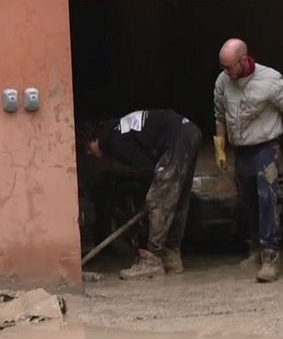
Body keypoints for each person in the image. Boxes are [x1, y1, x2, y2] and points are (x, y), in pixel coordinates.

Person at [212, 38, 283, 283]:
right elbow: (219, 114)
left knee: (265, 197)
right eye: (223, 68)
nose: (226, 73)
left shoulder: (269, 81)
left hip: (265, 148)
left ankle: (271, 256)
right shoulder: (222, 82)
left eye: (229, 67)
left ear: (243, 60)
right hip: (242, 150)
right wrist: (220, 147)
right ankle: (255, 249)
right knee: (247, 200)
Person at [82, 110, 203, 279]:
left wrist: (151, 197)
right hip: (190, 132)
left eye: (89, 147)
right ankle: (171, 256)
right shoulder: (118, 129)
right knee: (178, 200)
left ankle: (152, 260)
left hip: (177, 138)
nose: (89, 153)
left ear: (96, 138)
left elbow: (147, 168)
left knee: (157, 200)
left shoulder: (116, 140)